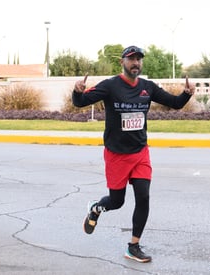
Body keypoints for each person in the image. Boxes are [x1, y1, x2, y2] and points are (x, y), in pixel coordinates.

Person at [72, 45, 195, 263]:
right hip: (116, 154)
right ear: (122, 62)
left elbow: (174, 104)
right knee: (117, 201)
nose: (135, 63)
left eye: (139, 59)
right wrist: (77, 90)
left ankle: (133, 246)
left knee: (144, 196)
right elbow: (79, 102)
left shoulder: (148, 87)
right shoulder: (110, 86)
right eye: (131, 59)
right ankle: (96, 208)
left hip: (140, 152)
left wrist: (186, 94)